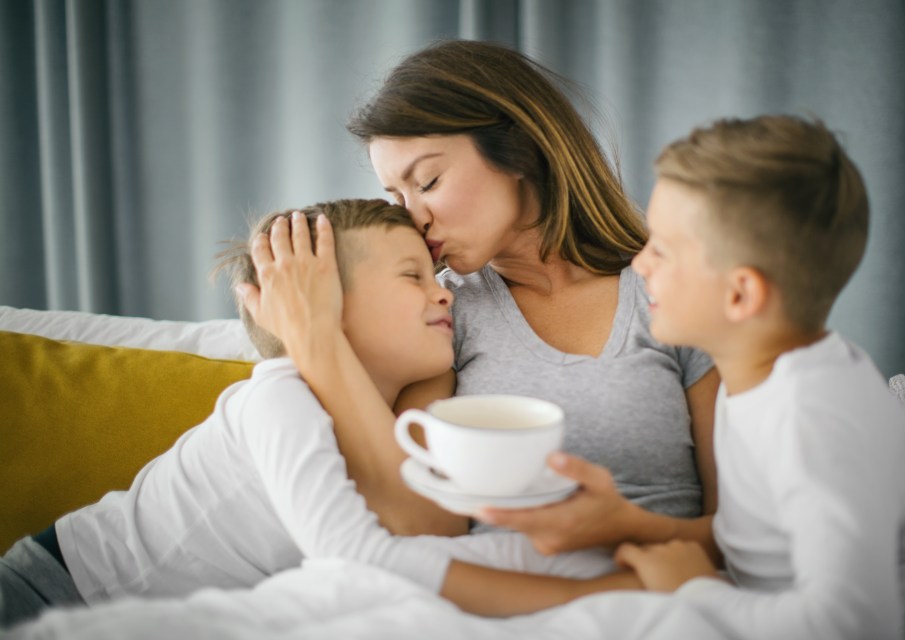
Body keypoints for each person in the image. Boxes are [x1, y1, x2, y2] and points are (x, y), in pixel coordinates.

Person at [0, 199, 637, 630]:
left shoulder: (401, 404)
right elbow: (363, 557)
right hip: (49, 595)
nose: (443, 290)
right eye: (412, 277)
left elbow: (434, 532)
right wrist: (594, 596)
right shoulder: (276, 398)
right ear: (325, 305)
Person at [240, 39, 721, 559]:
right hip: (487, 600)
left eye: (428, 181)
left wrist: (627, 526)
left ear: (518, 153)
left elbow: (747, 536)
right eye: (396, 197)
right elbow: (421, 523)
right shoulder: (443, 312)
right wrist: (316, 340)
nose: (414, 218)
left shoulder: (670, 293)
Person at [615, 115, 905, 639]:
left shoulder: (812, 419)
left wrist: (695, 590)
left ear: (740, 295)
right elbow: (757, 544)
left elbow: (854, 626)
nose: (638, 264)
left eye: (660, 249)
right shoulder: (760, 371)